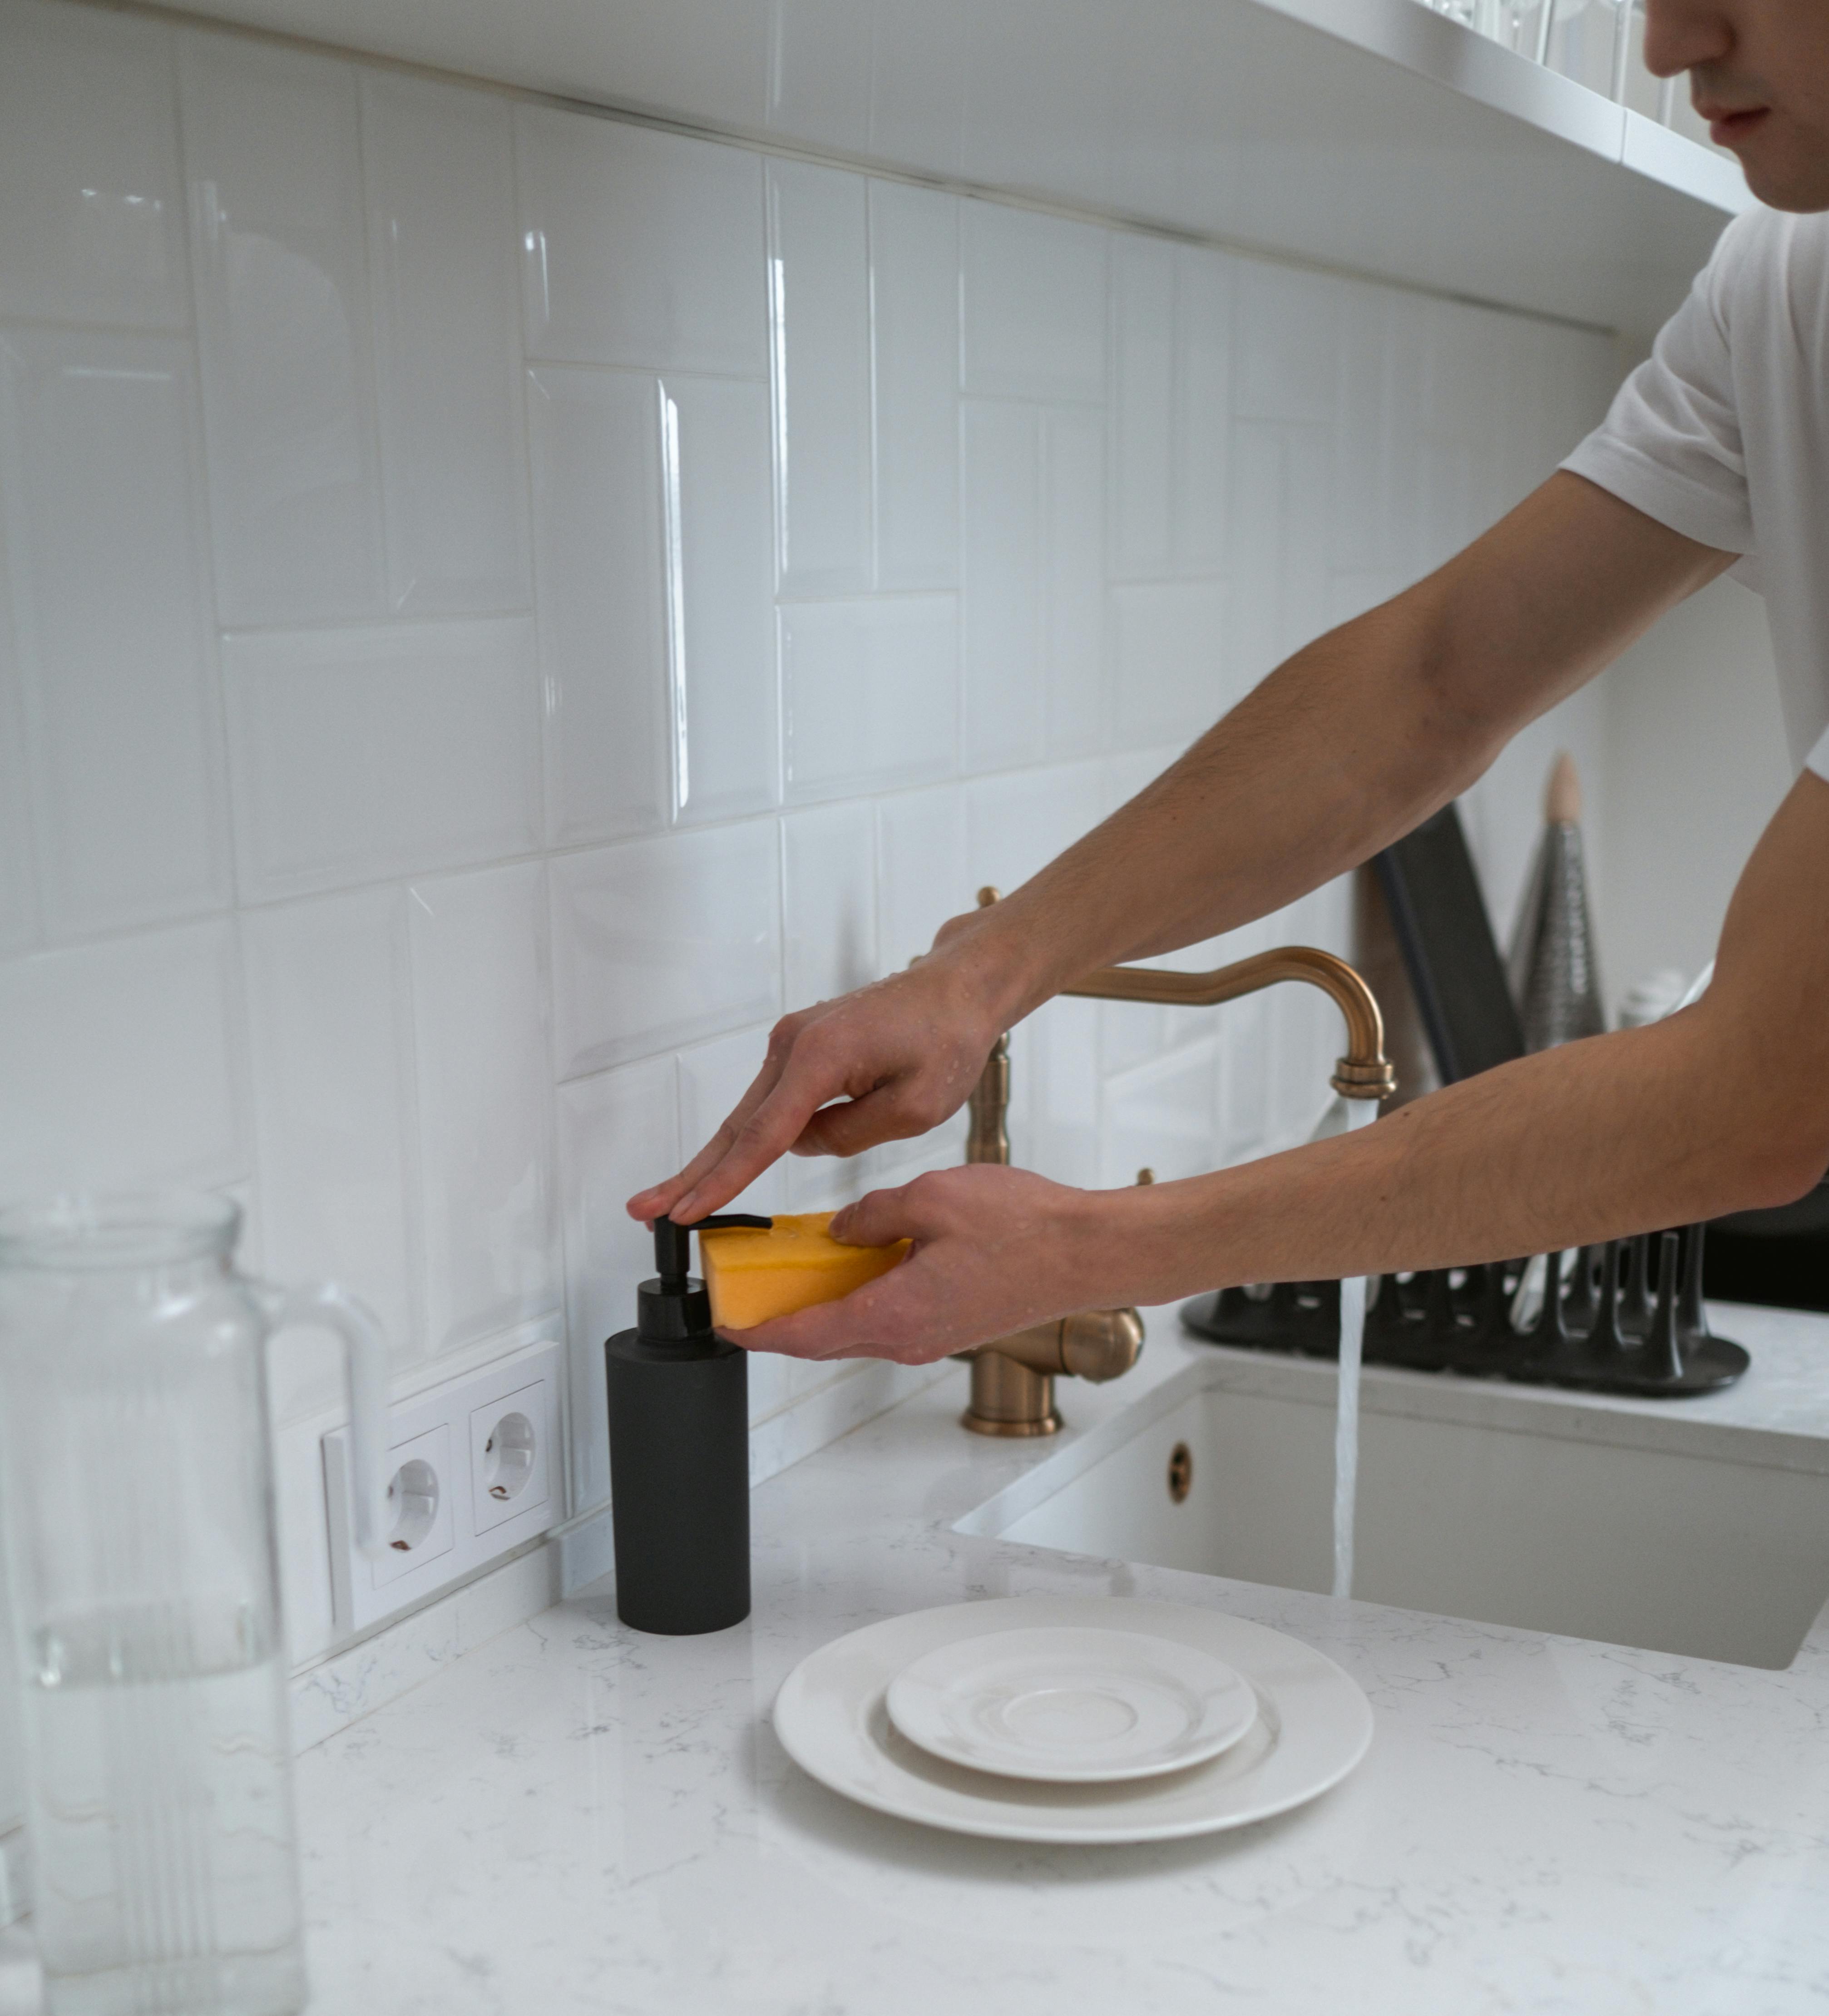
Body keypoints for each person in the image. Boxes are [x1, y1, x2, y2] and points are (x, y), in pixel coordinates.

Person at [633, 0, 1829, 1370]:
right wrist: (978, 977)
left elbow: (1756, 1096)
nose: (1667, 45)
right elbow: (1432, 684)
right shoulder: (1783, 281)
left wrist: (1094, 1246)